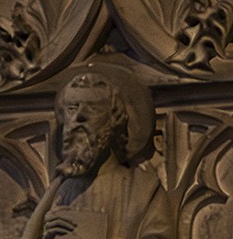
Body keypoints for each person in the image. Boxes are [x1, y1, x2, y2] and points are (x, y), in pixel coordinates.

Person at [19, 62, 175, 239]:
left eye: (92, 108)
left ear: (114, 120)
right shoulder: (60, 191)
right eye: (72, 108)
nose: (79, 117)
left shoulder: (143, 190)